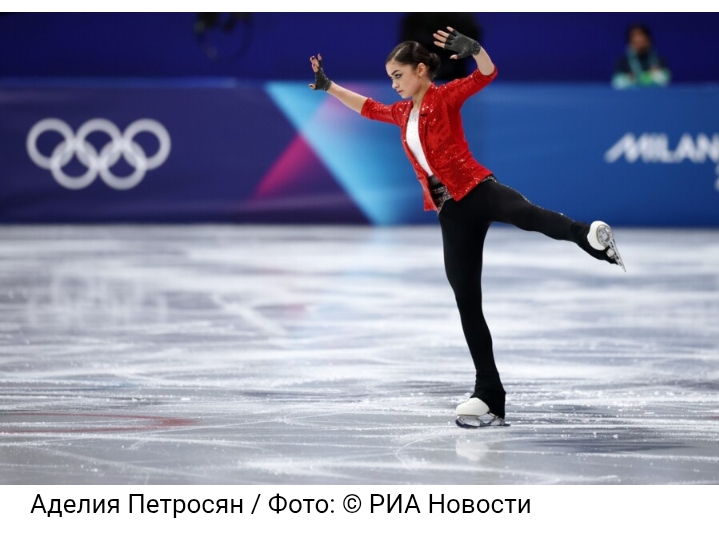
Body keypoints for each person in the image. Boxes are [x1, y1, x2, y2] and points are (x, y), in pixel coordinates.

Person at [308, 27, 625, 428]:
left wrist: (476, 51)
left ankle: (588, 236)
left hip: (477, 189)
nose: (394, 84)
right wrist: (330, 87)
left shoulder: (443, 97)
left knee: (528, 215)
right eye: (390, 77)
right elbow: (369, 108)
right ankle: (489, 395)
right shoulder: (402, 113)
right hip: (451, 212)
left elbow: (485, 75)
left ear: (421, 70)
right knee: (467, 303)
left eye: (398, 75)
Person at [613, 24, 671, 89]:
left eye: (642, 40)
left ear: (648, 40)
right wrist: (629, 79)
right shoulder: (623, 61)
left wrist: (655, 75)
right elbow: (617, 82)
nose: (639, 41)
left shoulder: (658, 60)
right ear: (630, 43)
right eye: (635, 42)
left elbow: (666, 79)